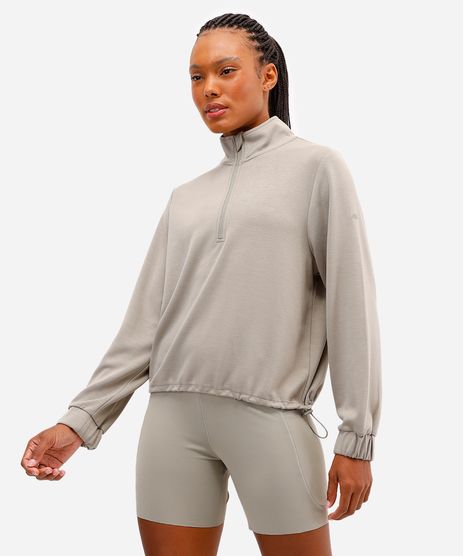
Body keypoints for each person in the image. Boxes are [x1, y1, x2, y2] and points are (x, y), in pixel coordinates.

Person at [20, 13, 382, 556]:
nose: (208, 88)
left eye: (225, 70)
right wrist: (78, 422)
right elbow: (143, 327)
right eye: (196, 76)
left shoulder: (318, 169)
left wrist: (357, 439)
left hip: (271, 418)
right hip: (171, 424)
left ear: (268, 75)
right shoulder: (185, 198)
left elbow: (352, 309)